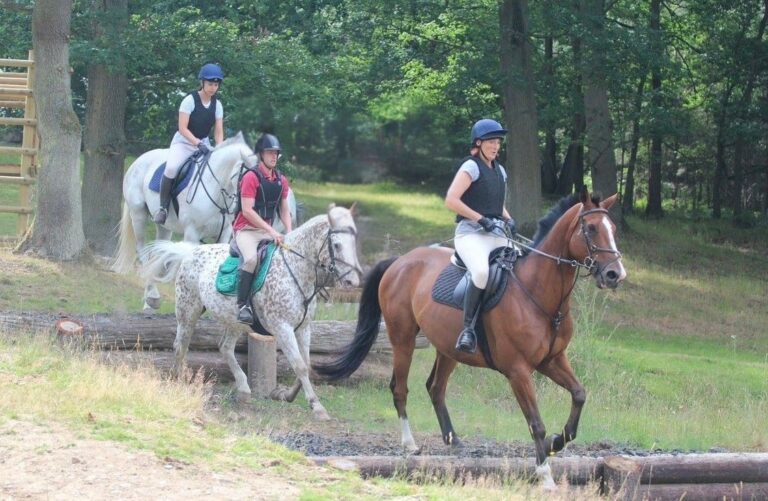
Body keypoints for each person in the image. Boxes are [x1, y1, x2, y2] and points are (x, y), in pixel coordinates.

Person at [444, 118, 516, 353]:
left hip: (495, 233)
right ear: (478, 143)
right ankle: (468, 330)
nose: (495, 146)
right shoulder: (471, 167)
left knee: (523, 263)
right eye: (491, 142)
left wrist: (508, 218)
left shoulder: (501, 171)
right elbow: (451, 200)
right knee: (482, 272)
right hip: (470, 234)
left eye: (498, 142)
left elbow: (495, 203)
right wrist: (480, 219)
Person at [232, 133, 293, 324]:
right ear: (261, 154)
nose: (274, 156)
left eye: (276, 153)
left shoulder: (281, 180)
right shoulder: (251, 177)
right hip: (246, 230)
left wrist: (290, 232)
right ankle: (243, 305)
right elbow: (247, 211)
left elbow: (284, 208)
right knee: (250, 260)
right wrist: (273, 231)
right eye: (269, 153)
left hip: (266, 230)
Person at [154, 63, 225, 224]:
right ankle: (163, 208)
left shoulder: (218, 105)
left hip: (205, 143)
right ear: (202, 83)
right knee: (172, 168)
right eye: (210, 84)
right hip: (184, 142)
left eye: (216, 84)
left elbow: (218, 131)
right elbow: (182, 128)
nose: (213, 88)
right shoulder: (189, 100)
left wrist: (219, 148)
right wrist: (196, 142)